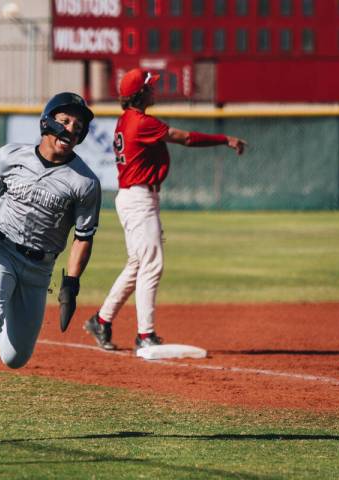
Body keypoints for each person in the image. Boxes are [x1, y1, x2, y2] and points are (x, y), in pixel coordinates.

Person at [0, 92, 101, 443]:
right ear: (47, 122)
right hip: (0, 252)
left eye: (78, 126)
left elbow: (83, 236)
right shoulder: (10, 155)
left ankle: (6, 317)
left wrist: (71, 284)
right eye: (65, 121)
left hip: (39, 270)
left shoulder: (84, 182)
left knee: (16, 357)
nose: (71, 129)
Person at [83, 68, 246, 352]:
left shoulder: (126, 120)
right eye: (150, 87)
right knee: (152, 265)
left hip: (135, 197)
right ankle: (145, 334)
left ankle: (102, 320)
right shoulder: (141, 122)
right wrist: (224, 139)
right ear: (140, 94)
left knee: (138, 265)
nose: (154, 90)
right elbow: (185, 137)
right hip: (139, 198)